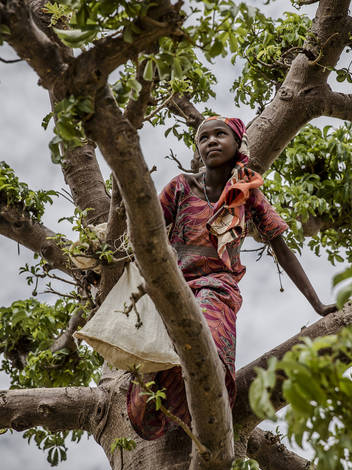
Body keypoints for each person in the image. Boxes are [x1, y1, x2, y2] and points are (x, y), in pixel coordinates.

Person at [126, 116, 336, 440]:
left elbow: (282, 249)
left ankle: (205, 412)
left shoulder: (247, 193)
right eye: (203, 137)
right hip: (172, 286)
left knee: (205, 342)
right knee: (156, 363)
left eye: (219, 134)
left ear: (237, 144)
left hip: (218, 287)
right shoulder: (181, 186)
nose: (210, 141)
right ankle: (169, 413)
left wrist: (318, 304)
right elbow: (145, 229)